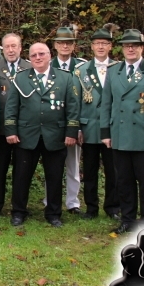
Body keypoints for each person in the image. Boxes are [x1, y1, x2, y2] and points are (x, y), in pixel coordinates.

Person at [100, 29, 144, 234]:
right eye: (126, 46)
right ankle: (128, 220)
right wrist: (105, 132)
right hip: (120, 134)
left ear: (142, 48)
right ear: (122, 49)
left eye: (134, 46)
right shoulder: (114, 71)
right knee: (123, 181)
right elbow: (106, 103)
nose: (130, 49)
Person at [4, 42, 79, 227]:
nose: (37, 58)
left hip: (55, 135)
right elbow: (11, 107)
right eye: (34, 55)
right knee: (21, 177)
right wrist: (11, 130)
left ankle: (53, 214)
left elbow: (72, 108)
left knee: (54, 177)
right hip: (26, 135)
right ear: (29, 58)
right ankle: (18, 212)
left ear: (49, 55)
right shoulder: (20, 78)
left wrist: (71, 132)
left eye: (41, 54)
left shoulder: (65, 78)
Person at [73, 25, 120, 220]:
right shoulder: (81, 71)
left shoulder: (119, 69)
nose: (101, 47)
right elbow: (75, 102)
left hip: (112, 128)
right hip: (89, 128)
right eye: (97, 43)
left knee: (113, 170)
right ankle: (91, 208)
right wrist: (77, 128)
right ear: (91, 46)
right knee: (90, 171)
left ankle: (113, 207)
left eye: (105, 43)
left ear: (110, 46)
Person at [0, 34, 31, 216]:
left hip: (24, 127)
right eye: (7, 47)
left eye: (14, 46)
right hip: (1, 128)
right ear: (2, 49)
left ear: (20, 48)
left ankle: (18, 206)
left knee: (21, 170)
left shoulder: (29, 67)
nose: (11, 50)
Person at [46, 26, 86, 214]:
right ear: (55, 45)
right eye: (61, 43)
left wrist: (78, 127)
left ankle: (72, 202)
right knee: (51, 166)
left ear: (73, 45)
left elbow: (84, 99)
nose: (65, 46)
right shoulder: (46, 65)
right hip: (52, 124)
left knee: (73, 165)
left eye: (68, 43)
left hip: (73, 123)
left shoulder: (81, 67)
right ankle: (49, 200)